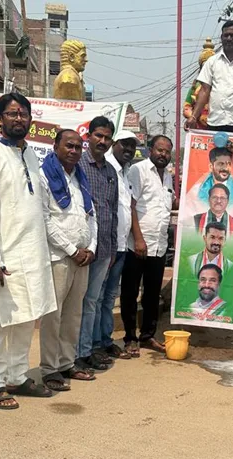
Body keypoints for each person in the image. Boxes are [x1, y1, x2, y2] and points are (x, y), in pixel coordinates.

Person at [0, 93, 57, 410]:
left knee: (26, 319)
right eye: (12, 114)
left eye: (23, 113)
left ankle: (17, 376)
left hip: (33, 253)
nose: (19, 119)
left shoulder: (31, 154)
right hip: (5, 255)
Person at [39, 129, 98, 390]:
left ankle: (67, 362)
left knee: (74, 315)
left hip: (82, 258)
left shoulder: (80, 178)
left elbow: (91, 216)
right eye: (69, 146)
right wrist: (71, 249)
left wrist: (91, 248)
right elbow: (45, 219)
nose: (74, 151)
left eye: (78, 147)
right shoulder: (45, 176)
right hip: (59, 257)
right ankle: (49, 368)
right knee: (54, 316)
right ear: (56, 147)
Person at [120, 135, 175, 355]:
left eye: (167, 151)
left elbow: (165, 205)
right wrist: (138, 238)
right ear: (150, 149)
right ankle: (130, 337)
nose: (163, 154)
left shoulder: (168, 176)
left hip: (159, 245)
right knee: (130, 292)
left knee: (152, 294)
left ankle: (147, 336)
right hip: (138, 245)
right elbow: (131, 205)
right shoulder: (138, 170)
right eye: (160, 150)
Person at [76, 116, 118, 371]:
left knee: (92, 300)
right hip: (81, 249)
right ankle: (72, 355)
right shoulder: (77, 164)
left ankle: (86, 350)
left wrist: (111, 249)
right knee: (75, 302)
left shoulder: (111, 171)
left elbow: (112, 211)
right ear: (88, 136)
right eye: (98, 136)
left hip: (103, 249)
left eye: (107, 137)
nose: (102, 141)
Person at [96, 130, 139, 361]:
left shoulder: (126, 172)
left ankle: (105, 340)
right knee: (97, 297)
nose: (129, 149)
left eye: (132, 146)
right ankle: (94, 345)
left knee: (109, 297)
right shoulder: (106, 168)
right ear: (114, 144)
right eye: (125, 144)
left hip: (122, 245)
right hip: (106, 246)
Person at [184, 20, 233, 137]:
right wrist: (194, 117)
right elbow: (204, 91)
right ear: (221, 38)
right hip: (214, 122)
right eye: (226, 35)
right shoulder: (212, 62)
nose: (229, 38)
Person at [183, 37, 215, 130]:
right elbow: (187, 106)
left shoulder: (220, 86)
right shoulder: (195, 87)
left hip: (217, 126)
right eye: (205, 68)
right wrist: (192, 116)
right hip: (198, 127)